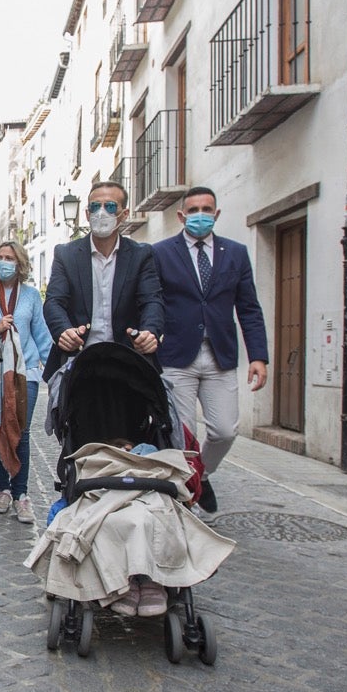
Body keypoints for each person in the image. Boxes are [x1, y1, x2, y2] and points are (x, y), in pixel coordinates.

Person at [154, 186, 268, 515]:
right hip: (177, 355)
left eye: (206, 209)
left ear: (216, 214)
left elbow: (249, 308)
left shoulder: (235, 253)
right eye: (193, 210)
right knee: (183, 434)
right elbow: (153, 302)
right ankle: (185, 503)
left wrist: (258, 355)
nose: (199, 215)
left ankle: (202, 474)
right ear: (181, 216)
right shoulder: (161, 253)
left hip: (220, 355)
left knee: (224, 429)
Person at [43, 179, 165, 385]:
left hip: (127, 359)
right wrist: (63, 330)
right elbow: (54, 301)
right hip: (78, 359)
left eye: (109, 206)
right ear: (87, 213)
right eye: (94, 206)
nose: (101, 212)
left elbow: (152, 300)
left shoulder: (141, 255)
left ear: (123, 215)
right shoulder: (66, 254)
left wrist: (150, 332)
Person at [0, 241, 54, 523]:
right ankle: (2, 490)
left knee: (21, 431)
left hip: (23, 372)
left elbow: (41, 334)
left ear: (19, 263)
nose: (3, 262)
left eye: (9, 258)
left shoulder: (30, 296)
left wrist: (55, 370)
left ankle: (21, 494)